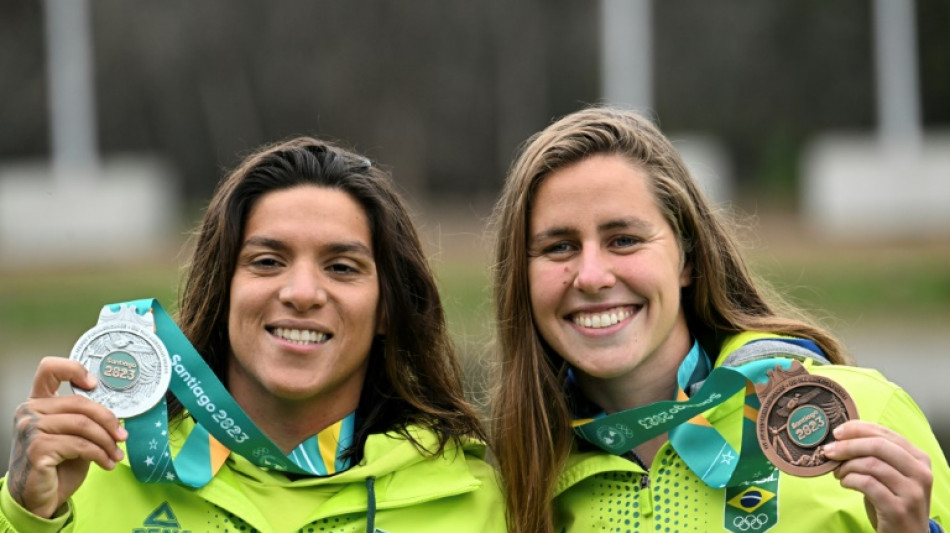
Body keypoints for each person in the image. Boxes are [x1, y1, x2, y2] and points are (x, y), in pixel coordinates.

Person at [1, 137, 505, 532]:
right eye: (267, 261)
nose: (302, 293)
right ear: (222, 292)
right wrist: (24, 518)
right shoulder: (95, 471)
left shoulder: (469, 500)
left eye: (341, 267)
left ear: (387, 310)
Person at [488, 106, 949, 533]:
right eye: (559, 247)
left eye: (624, 240)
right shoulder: (515, 485)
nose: (591, 276)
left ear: (687, 259)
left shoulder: (863, 417)